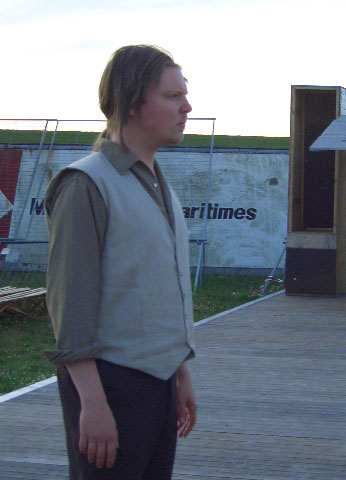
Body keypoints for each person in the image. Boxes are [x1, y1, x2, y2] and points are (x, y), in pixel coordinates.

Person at [45, 45, 197, 479]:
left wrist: (179, 372)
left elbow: (150, 289)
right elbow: (70, 305)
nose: (187, 106)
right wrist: (91, 404)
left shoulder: (157, 185)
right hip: (111, 387)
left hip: (158, 384)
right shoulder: (86, 184)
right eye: (172, 96)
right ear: (132, 103)